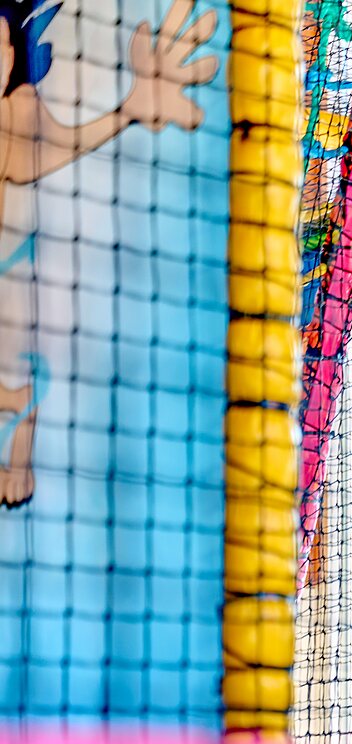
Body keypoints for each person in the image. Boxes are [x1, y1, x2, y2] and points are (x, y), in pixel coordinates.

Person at [0, 0, 218, 507]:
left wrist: (130, 110)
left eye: (4, 47)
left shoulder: (15, 115)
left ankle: (19, 435)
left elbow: (50, 150)